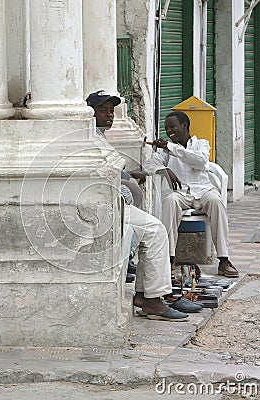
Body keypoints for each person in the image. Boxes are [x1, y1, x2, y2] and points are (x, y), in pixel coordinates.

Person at [86, 90, 194, 320]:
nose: (109, 115)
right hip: (100, 206)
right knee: (155, 229)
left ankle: (148, 295)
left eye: (111, 111)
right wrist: (125, 186)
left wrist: (129, 175)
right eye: (103, 110)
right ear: (90, 113)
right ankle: (152, 299)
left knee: (154, 230)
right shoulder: (88, 138)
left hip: (111, 202)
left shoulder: (98, 136)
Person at [143, 111, 238, 278]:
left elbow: (201, 161)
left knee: (216, 201)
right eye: (166, 128)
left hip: (203, 190)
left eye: (172, 127)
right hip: (182, 193)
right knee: (170, 201)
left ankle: (224, 260)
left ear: (184, 126)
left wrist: (171, 148)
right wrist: (165, 169)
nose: (169, 131)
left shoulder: (201, 144)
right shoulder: (165, 151)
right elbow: (149, 165)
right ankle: (169, 259)